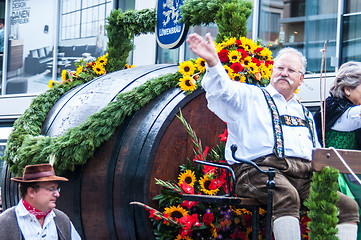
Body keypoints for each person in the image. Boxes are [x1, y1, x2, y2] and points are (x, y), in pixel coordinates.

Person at [186, 33, 359, 240]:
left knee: (347, 206)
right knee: (286, 195)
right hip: (258, 171)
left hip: (302, 177)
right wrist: (214, 63)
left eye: (291, 70)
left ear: (301, 78)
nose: (284, 73)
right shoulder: (251, 97)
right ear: (272, 71)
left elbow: (315, 152)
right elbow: (224, 91)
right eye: (280, 68)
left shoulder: (304, 113)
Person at [314, 61, 361, 239]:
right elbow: (355, 117)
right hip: (337, 176)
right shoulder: (337, 109)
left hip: (353, 172)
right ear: (347, 89)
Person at [0, 163, 81, 239]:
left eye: (57, 189)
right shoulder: (4, 223)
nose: (57, 194)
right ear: (31, 192)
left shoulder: (62, 220)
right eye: (51, 189)